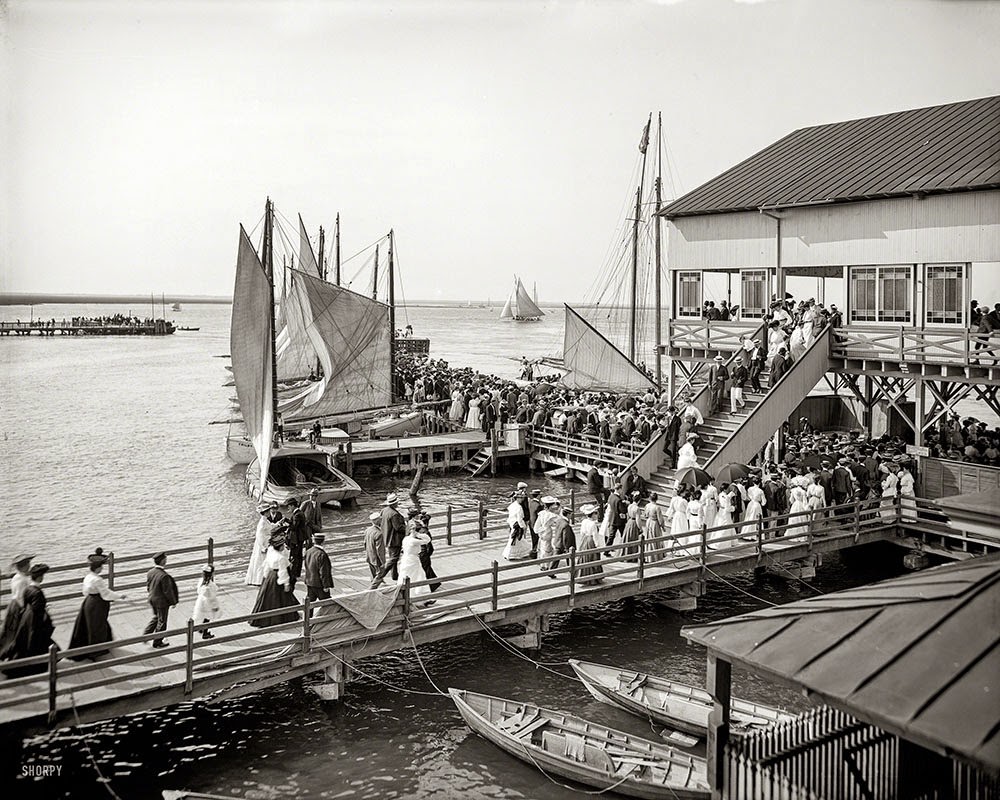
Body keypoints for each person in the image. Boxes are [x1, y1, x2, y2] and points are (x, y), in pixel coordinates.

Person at [69, 549, 127, 660]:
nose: (102, 568)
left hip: (88, 601)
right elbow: (106, 594)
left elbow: (84, 592)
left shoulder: (87, 577)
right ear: (97, 568)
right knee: (98, 626)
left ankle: (89, 648)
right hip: (97, 603)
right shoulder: (98, 579)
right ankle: (96, 651)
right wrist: (119, 596)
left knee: (88, 625)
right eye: (101, 567)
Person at [1, 563, 56, 677]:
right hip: (34, 619)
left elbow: (26, 602)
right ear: (40, 577)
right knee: (34, 641)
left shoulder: (29, 588)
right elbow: (38, 611)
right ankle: (33, 665)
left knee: (24, 640)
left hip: (27, 616)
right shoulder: (37, 592)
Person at [249, 534, 299, 628]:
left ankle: (263, 618)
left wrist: (265, 577)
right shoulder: (281, 558)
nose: (284, 547)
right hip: (277, 577)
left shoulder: (271, 553)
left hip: (269, 576)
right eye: (282, 546)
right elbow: (283, 572)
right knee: (279, 598)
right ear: (279, 547)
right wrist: (286, 583)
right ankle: (280, 618)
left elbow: (266, 565)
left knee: (267, 598)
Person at [370, 493, 407, 589]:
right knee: (393, 558)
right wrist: (408, 528)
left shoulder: (384, 510)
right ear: (395, 503)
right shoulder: (394, 514)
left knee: (392, 556)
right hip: (394, 540)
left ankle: (394, 575)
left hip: (387, 538)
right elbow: (398, 527)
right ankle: (380, 576)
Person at [0, 555, 33, 656]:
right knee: (16, 631)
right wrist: (24, 609)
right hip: (18, 607)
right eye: (28, 564)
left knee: (11, 631)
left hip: (14, 605)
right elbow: (20, 597)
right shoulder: (21, 580)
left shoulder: (18, 577)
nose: (29, 566)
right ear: (24, 566)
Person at [145, 552, 179, 649]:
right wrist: (173, 602)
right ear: (163, 561)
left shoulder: (150, 572)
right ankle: (157, 642)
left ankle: (146, 634)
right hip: (161, 602)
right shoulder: (164, 576)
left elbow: (148, 586)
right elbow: (167, 591)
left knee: (157, 617)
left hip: (152, 598)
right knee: (162, 621)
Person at [246, 502, 284, 586]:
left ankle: (264, 578)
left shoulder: (265, 520)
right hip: (262, 544)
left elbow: (271, 527)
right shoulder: (262, 522)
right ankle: (259, 580)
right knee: (261, 562)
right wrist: (263, 547)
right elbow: (259, 535)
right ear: (265, 512)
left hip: (267, 542)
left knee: (265, 561)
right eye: (268, 511)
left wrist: (278, 524)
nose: (269, 512)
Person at [396, 522, 434, 604]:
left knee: (410, 577)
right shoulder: (413, 541)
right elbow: (428, 539)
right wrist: (419, 535)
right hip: (413, 560)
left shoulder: (405, 539)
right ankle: (419, 598)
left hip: (406, 559)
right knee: (418, 577)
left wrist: (415, 533)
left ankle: (417, 599)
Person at [576, 504, 604, 584]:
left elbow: (582, 533)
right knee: (593, 558)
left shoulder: (584, 521)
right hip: (591, 540)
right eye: (595, 513)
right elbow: (595, 536)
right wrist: (598, 546)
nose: (597, 515)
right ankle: (594, 578)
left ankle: (584, 576)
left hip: (585, 539)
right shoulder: (593, 524)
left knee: (585, 558)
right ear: (592, 514)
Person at [303, 532, 334, 602]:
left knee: (309, 605)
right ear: (323, 542)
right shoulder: (322, 554)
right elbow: (324, 572)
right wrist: (326, 585)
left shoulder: (308, 552)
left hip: (310, 582)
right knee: (327, 605)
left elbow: (306, 566)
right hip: (320, 585)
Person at [284, 497, 309, 581]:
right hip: (299, 538)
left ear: (293, 506)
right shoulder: (299, 513)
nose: (288, 508)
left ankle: (293, 574)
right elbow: (295, 524)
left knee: (294, 556)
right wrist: (288, 520)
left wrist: (286, 523)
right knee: (298, 556)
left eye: (289, 506)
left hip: (296, 539)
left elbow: (294, 527)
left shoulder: (297, 514)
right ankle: (297, 573)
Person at [192, 565, 220, 639]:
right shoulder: (210, 584)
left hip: (201, 600)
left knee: (204, 616)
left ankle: (202, 629)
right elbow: (212, 596)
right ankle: (205, 633)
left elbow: (198, 591)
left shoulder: (201, 581)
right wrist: (215, 606)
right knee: (208, 617)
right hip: (208, 602)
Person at [502, 489, 532, 560]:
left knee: (516, 539)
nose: (522, 499)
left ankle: (521, 553)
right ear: (517, 498)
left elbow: (510, 516)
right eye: (520, 498)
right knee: (516, 539)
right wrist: (523, 526)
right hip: (517, 525)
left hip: (512, 523)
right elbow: (519, 519)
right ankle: (510, 554)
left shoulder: (512, 505)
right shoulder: (519, 507)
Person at [535, 496, 560, 572]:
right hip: (549, 532)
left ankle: (542, 564)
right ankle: (546, 565)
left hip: (542, 532)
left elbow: (536, 527)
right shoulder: (552, 516)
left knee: (542, 547)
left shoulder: (541, 514)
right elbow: (557, 523)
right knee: (548, 548)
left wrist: (540, 530)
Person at [666, 487, 690, 557]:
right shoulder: (684, 501)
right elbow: (687, 510)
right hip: (682, 516)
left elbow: (671, 508)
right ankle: (680, 549)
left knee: (675, 530)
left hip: (676, 516)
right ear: (682, 493)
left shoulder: (674, 499)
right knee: (681, 530)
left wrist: (669, 516)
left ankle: (673, 548)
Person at [710, 485, 735, 549]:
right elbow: (727, 508)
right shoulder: (726, 497)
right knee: (725, 526)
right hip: (725, 513)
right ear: (725, 489)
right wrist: (733, 508)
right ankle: (721, 543)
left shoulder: (720, 494)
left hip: (721, 511)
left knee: (720, 524)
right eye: (727, 489)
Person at [642, 493, 665, 561]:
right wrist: (662, 526)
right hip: (655, 523)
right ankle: (655, 557)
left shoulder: (647, 505)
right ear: (656, 499)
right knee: (655, 538)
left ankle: (648, 556)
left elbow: (645, 515)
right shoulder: (657, 507)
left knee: (649, 538)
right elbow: (660, 519)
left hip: (648, 522)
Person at [363, 511, 386, 579]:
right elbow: (380, 549)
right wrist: (383, 562)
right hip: (376, 559)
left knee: (374, 575)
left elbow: (365, 543)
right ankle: (374, 587)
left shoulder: (367, 530)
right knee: (379, 575)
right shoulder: (379, 533)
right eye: (380, 519)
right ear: (378, 521)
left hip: (369, 556)